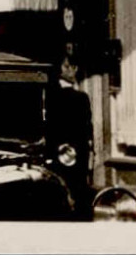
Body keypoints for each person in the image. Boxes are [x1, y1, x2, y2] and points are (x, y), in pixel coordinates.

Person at [49, 59, 94, 204]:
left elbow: (87, 127)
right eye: (67, 66)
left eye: (74, 67)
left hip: (73, 153)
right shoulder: (56, 96)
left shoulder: (80, 97)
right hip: (66, 153)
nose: (72, 71)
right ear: (60, 69)